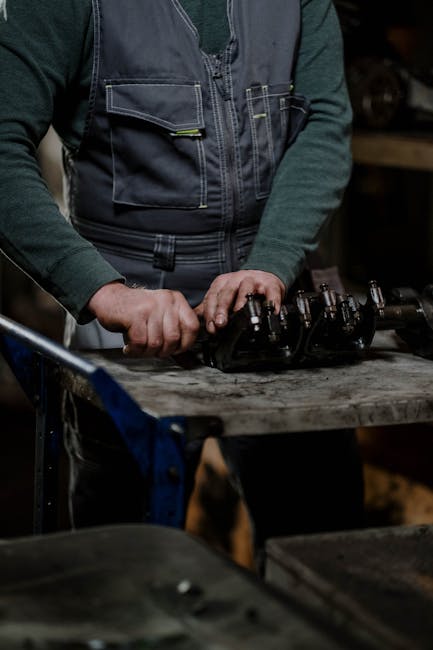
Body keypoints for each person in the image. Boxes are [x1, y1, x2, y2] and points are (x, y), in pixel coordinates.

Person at [0, 0, 364, 555]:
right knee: (125, 568)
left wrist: (272, 260)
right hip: (129, 326)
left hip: (275, 301)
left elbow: (323, 122)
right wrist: (103, 291)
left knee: (322, 556)